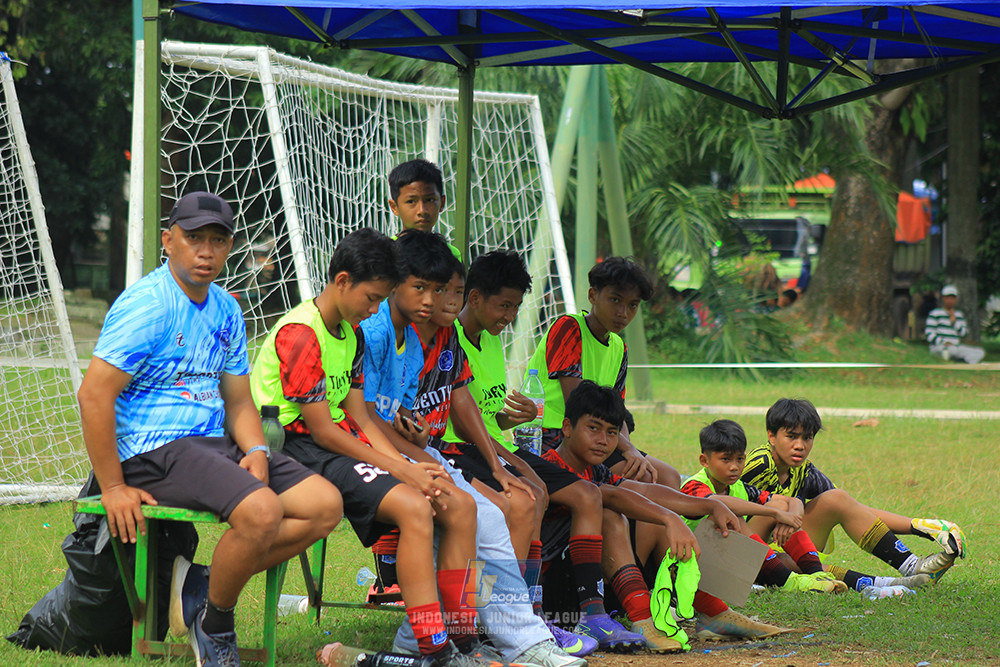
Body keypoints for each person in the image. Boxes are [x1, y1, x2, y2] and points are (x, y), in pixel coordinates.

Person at [77, 192, 342, 667]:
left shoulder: (225, 308)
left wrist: (257, 449)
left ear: (230, 246)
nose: (205, 251)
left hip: (208, 445)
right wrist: (114, 486)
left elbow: (238, 399)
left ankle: (200, 586)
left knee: (324, 506)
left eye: (217, 240)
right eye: (193, 237)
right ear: (168, 241)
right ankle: (214, 624)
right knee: (262, 511)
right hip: (152, 449)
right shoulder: (147, 305)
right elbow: (94, 394)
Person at [249, 228, 486, 667]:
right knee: (415, 506)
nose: (375, 309)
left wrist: (406, 463)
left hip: (334, 445)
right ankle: (433, 646)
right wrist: (404, 470)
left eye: (381, 299)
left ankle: (459, 637)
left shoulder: (351, 333)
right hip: (294, 450)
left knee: (452, 504)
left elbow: (359, 416)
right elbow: (322, 430)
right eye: (372, 298)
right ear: (342, 281)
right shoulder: (301, 334)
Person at [358, 233, 589, 667]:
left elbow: (415, 409)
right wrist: (422, 458)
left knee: (494, 518)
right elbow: (366, 418)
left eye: (451, 290)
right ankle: (458, 636)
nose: (441, 299)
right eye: (430, 288)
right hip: (369, 453)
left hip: (414, 448)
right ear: (397, 286)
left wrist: (499, 460)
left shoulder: (436, 336)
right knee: (471, 512)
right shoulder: (378, 333)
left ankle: (510, 637)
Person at [439, 251, 645, 652]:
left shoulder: (491, 341)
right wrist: (513, 461)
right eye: (505, 305)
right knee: (537, 497)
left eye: (516, 307)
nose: (511, 316)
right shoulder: (453, 340)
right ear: (475, 298)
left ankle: (592, 614)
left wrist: (507, 422)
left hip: (497, 447)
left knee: (594, 494)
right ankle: (523, 617)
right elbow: (462, 423)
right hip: (462, 452)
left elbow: (485, 417)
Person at [543, 382, 789, 647]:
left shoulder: (595, 470)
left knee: (654, 517)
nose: (603, 440)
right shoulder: (549, 466)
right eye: (593, 428)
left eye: (612, 432)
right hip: (554, 597)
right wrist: (669, 518)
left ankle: (713, 611)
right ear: (567, 427)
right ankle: (640, 618)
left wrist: (710, 506)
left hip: (591, 585)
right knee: (612, 517)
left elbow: (646, 491)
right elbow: (613, 496)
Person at [682, 419, 931, 595]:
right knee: (735, 520)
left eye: (739, 459)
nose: (735, 467)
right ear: (771, 436)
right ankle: (795, 582)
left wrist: (790, 514)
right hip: (702, 564)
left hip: (741, 555)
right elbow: (714, 504)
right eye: (726, 460)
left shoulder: (798, 470)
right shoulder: (701, 483)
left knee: (791, 555)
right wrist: (775, 512)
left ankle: (878, 581)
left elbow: (842, 506)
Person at [741, 399, 967, 585]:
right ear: (771, 436)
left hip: (780, 549)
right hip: (742, 550)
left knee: (836, 499)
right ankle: (882, 584)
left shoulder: (804, 471)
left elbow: (853, 510)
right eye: (791, 436)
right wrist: (780, 513)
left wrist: (920, 526)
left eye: (807, 437)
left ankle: (910, 566)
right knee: (787, 553)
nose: (800, 445)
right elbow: (724, 506)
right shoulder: (760, 463)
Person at [524, 256, 680, 487]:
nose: (623, 312)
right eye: (615, 300)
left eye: (632, 305)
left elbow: (616, 411)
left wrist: (630, 451)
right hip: (556, 436)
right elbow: (578, 405)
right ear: (592, 296)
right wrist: (627, 449)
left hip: (597, 436)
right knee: (644, 479)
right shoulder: (568, 328)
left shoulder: (619, 347)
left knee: (669, 477)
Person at [388, 158, 461, 259]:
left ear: (442, 203)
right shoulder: (386, 254)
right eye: (411, 201)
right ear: (394, 207)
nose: (422, 210)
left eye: (430, 200)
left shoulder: (452, 254)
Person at [925, 284, 985, 364]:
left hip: (955, 346)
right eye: (947, 298)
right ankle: (962, 362)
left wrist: (955, 322)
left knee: (980, 352)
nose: (950, 300)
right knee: (950, 351)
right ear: (943, 298)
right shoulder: (935, 313)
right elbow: (929, 333)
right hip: (940, 346)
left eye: (952, 298)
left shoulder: (959, 315)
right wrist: (943, 342)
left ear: (956, 299)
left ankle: (963, 362)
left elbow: (964, 334)